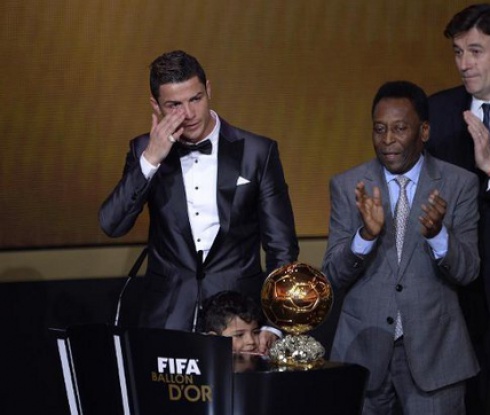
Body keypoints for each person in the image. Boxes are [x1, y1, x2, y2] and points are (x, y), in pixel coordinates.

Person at [99, 50, 299, 352]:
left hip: (240, 323)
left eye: (196, 99)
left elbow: (281, 246)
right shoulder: (143, 150)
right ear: (156, 106)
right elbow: (112, 224)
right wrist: (151, 159)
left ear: (208, 90)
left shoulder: (258, 152)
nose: (189, 113)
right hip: (168, 316)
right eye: (175, 105)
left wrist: (274, 323)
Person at [323, 81, 480, 414]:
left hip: (436, 356)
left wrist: (438, 235)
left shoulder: (459, 184)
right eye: (379, 129)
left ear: (424, 131)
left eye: (399, 129)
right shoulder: (348, 185)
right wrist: (365, 236)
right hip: (363, 354)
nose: (387, 140)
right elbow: (332, 275)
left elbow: (468, 271)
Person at [427, 4, 490, 413]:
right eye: (457, 52)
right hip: (453, 285)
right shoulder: (436, 112)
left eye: (476, 51)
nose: (464, 64)